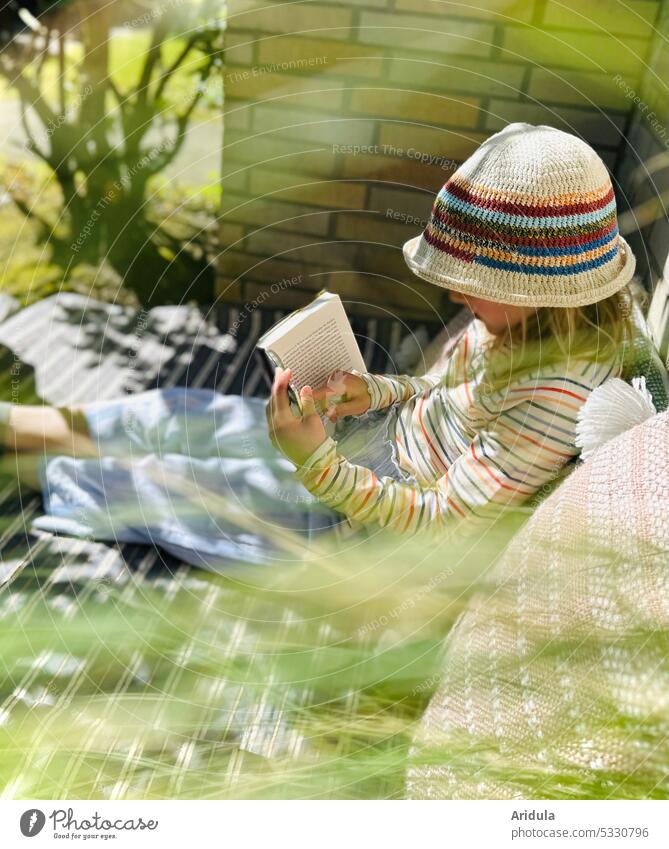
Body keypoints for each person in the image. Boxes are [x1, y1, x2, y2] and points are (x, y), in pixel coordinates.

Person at [0, 123, 639, 570]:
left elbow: (438, 520)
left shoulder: (554, 400)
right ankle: (20, 425)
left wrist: (314, 465)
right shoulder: (520, 325)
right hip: (369, 449)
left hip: (357, 526)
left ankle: (31, 468)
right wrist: (377, 391)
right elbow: (445, 395)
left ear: (543, 287)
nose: (454, 298)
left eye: (472, 285)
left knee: (159, 486)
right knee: (183, 412)